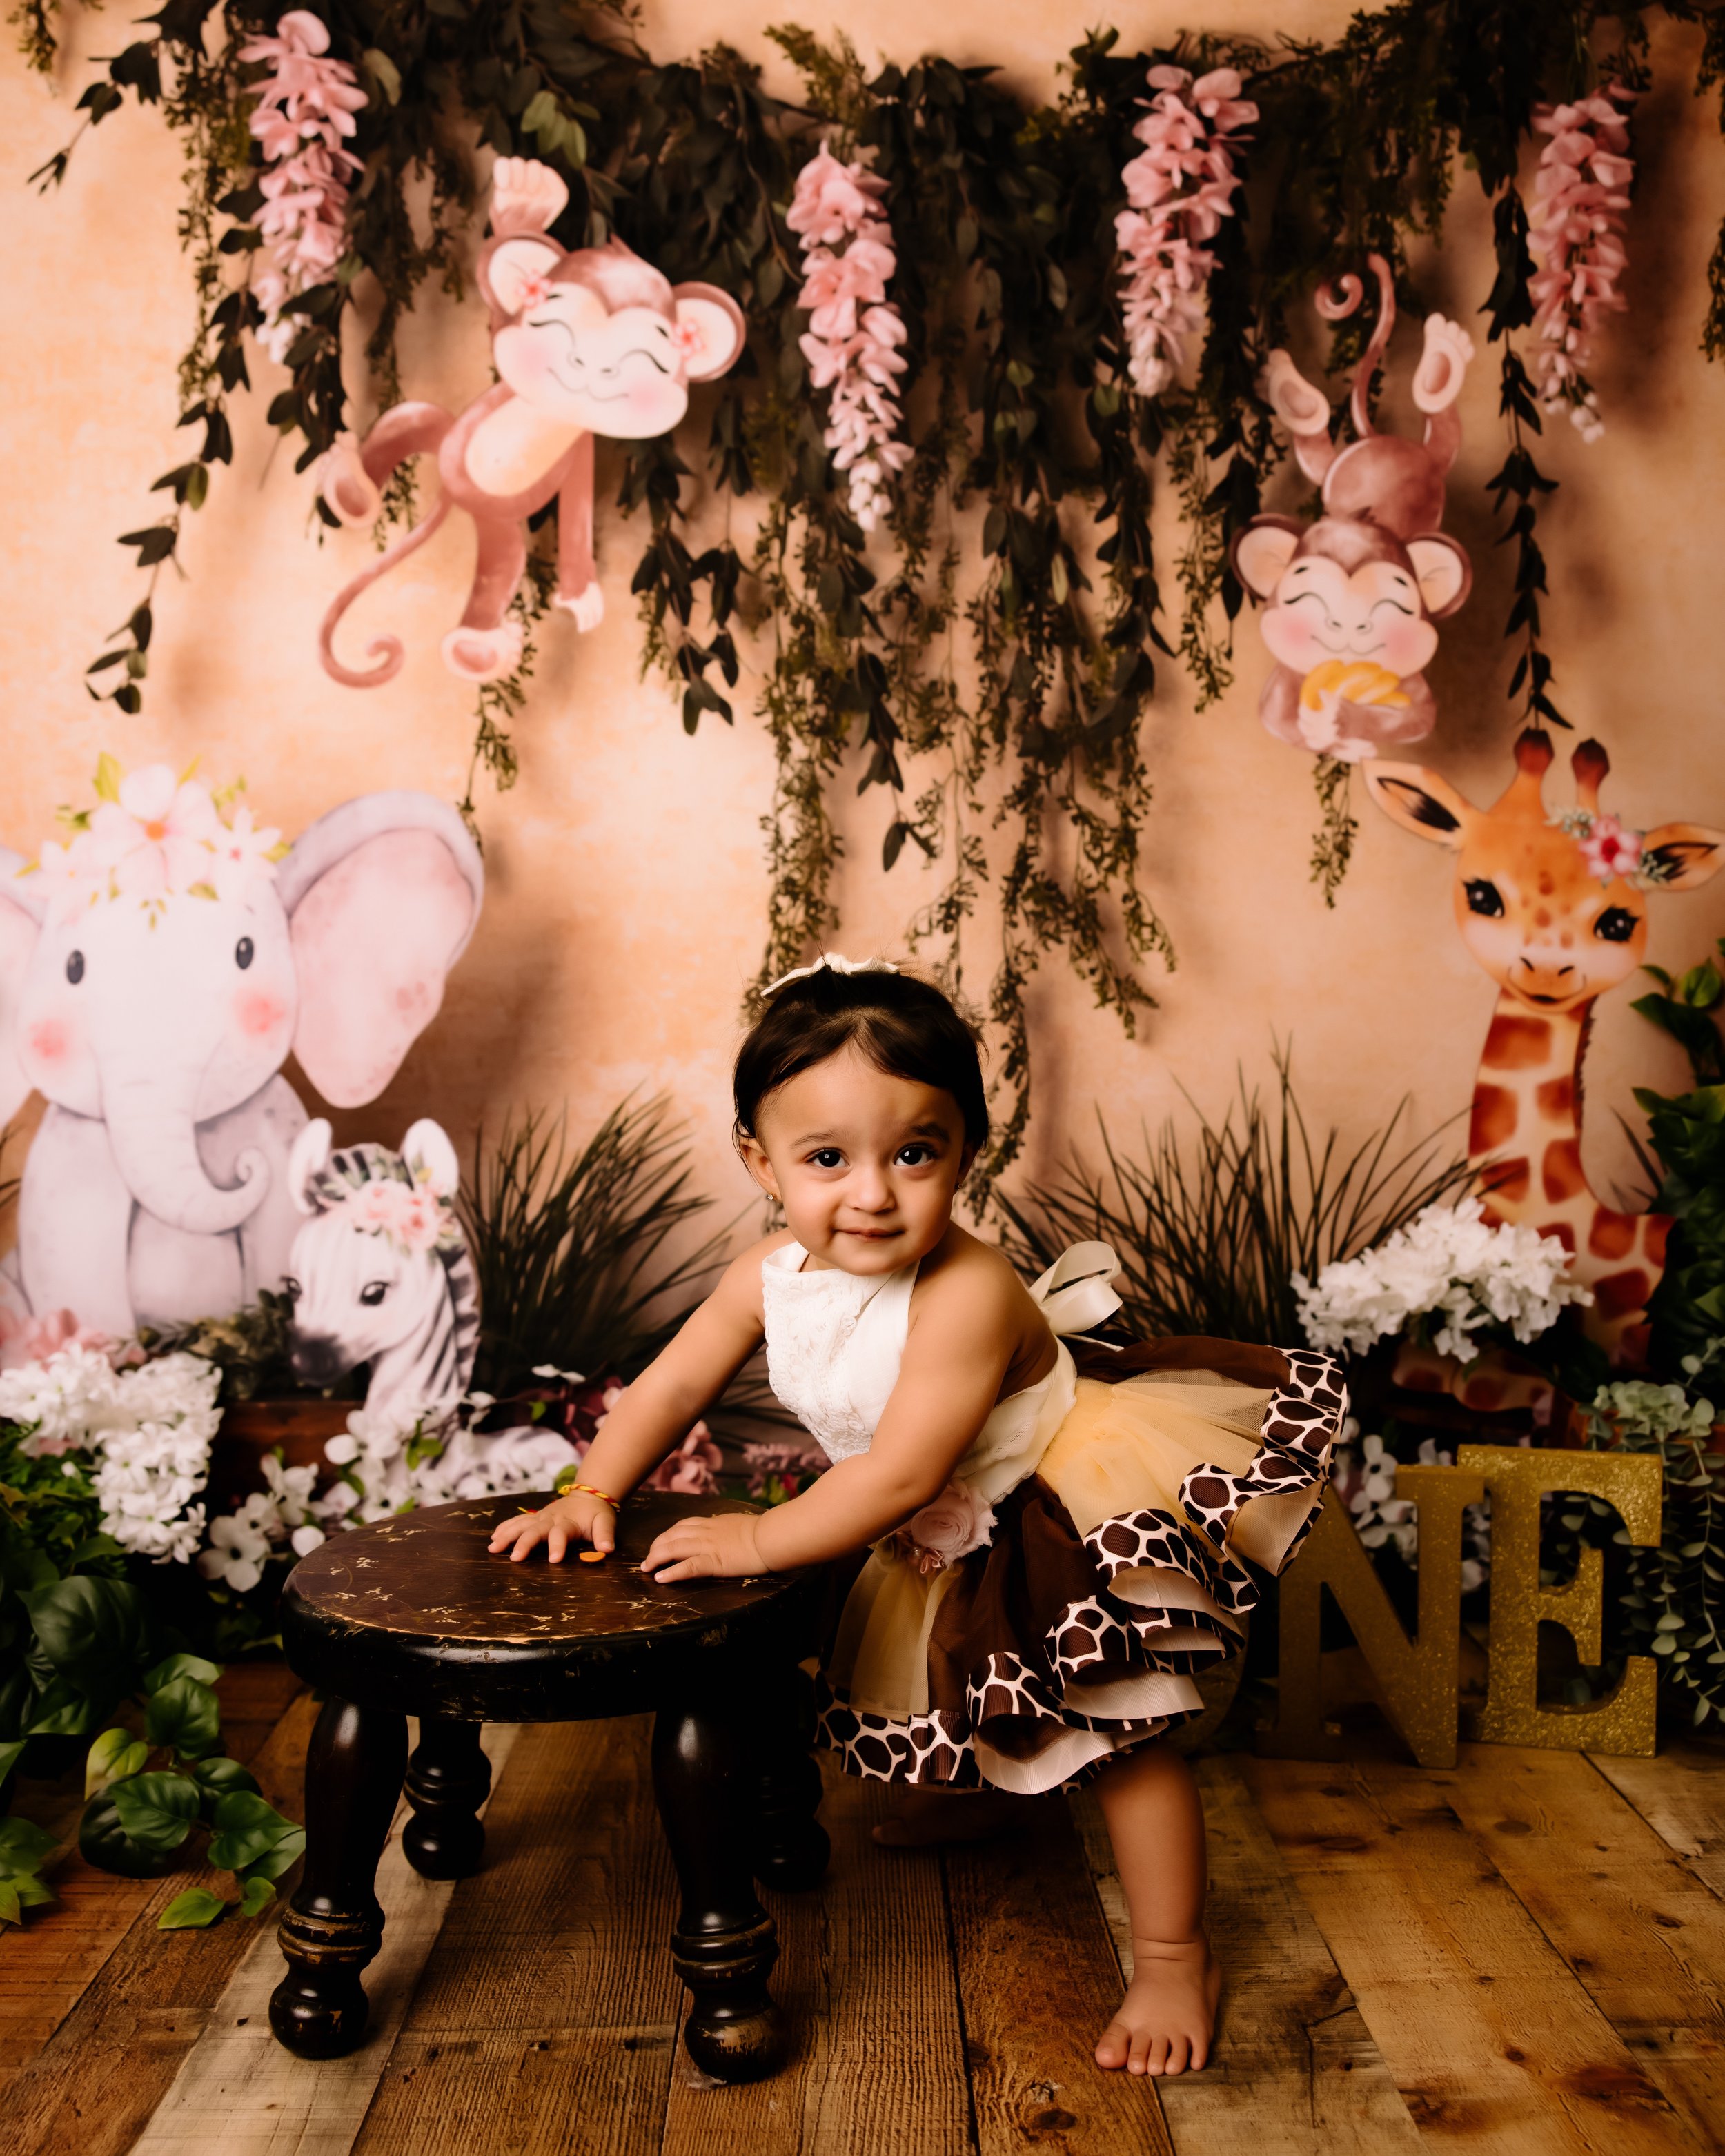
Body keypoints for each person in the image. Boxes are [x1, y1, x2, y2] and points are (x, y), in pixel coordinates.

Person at [489, 956, 1344, 2075]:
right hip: (923, 1500)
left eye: (914, 1153)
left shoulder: (968, 1291)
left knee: (1118, 1723)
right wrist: (592, 1487)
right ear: (760, 1160)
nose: (873, 1193)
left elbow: (897, 1475)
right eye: (827, 1159)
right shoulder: (770, 1272)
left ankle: (1178, 1955)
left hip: (1043, 1495)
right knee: (947, 1665)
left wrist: (754, 1535)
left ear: (966, 1152)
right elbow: (669, 1384)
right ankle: (981, 1791)